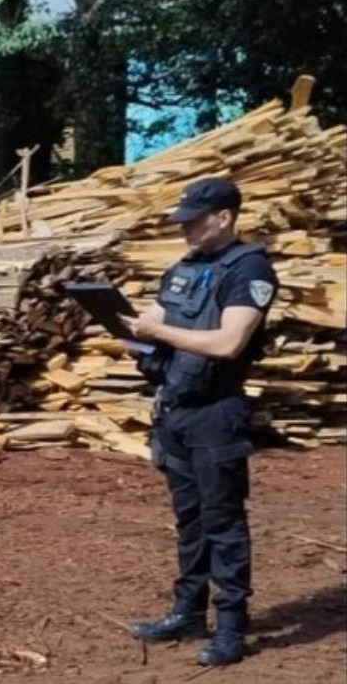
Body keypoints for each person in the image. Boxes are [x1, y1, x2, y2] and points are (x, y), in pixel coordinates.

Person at [119, 177, 279, 667]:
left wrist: (156, 330)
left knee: (223, 522)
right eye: (181, 222)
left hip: (216, 413)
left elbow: (228, 343)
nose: (183, 229)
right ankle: (188, 612)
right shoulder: (184, 268)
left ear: (224, 217)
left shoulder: (250, 270)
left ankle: (232, 626)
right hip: (176, 408)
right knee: (190, 521)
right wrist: (125, 327)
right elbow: (153, 322)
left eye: (192, 221)